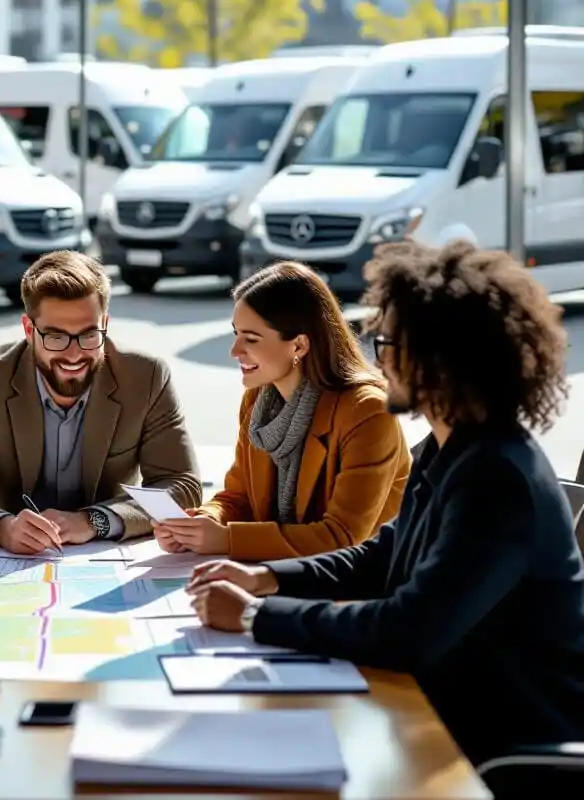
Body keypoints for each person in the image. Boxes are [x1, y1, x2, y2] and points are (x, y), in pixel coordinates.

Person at [186, 240, 584, 767]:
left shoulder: (497, 478)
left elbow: (407, 630)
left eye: (388, 343)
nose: (379, 359)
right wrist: (267, 578)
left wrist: (256, 616)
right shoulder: (453, 447)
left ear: (440, 359)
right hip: (436, 713)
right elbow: (380, 554)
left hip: (501, 752)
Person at [0, 250, 201, 553]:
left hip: (106, 554)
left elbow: (181, 485)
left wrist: (94, 521)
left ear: (105, 324)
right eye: (56, 337)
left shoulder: (146, 376)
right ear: (29, 330)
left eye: (88, 335)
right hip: (9, 557)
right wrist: (2, 528)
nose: (73, 355)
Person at [153, 262, 410, 560]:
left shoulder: (368, 411)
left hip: (365, 580)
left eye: (251, 339)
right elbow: (239, 497)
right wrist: (201, 522)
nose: (234, 351)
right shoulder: (258, 401)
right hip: (283, 571)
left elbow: (342, 536)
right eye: (236, 334)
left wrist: (226, 539)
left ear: (298, 345)